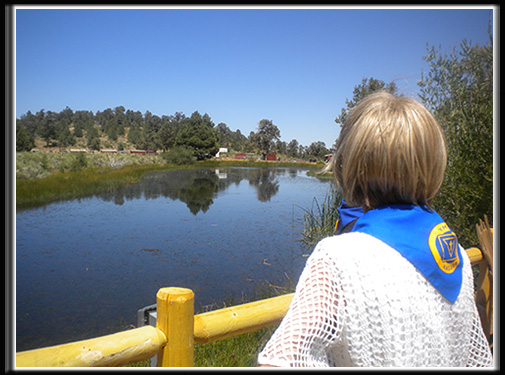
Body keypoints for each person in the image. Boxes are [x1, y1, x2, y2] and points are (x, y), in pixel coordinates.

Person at [257, 92, 493, 367]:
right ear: (433, 166)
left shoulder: (337, 259)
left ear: (352, 166)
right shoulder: (458, 258)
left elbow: (280, 359)